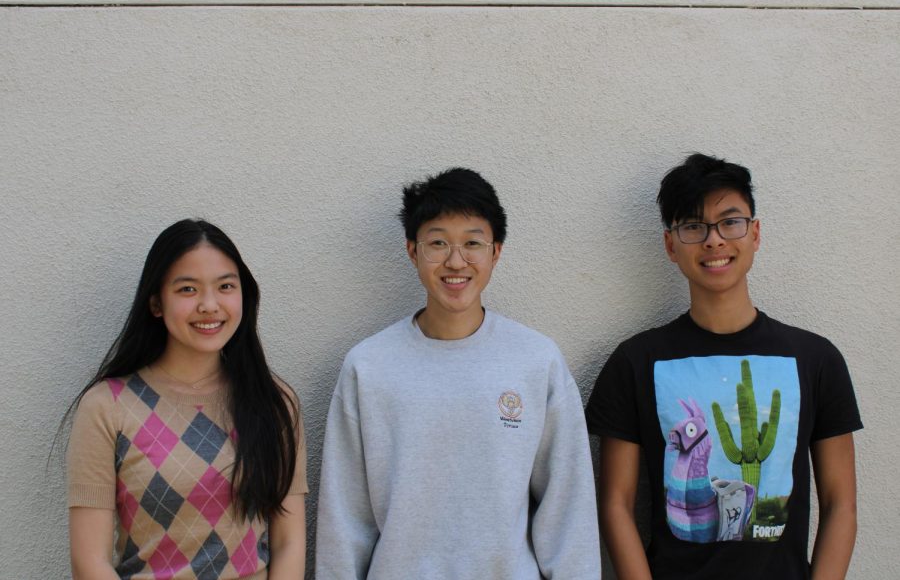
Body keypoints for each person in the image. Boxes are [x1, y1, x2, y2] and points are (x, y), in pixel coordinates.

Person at [586, 153, 862, 579]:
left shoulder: (816, 358)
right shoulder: (635, 361)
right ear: (670, 245)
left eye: (729, 222)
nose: (714, 241)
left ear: (755, 233)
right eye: (694, 227)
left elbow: (841, 501)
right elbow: (615, 504)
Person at [315, 167, 600, 579]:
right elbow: (344, 519)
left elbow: (568, 507)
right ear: (412, 251)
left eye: (472, 243)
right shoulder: (369, 366)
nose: (455, 261)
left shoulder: (536, 361)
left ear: (495, 252)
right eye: (438, 243)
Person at [65, 219, 307, 579]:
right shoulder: (106, 407)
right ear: (156, 303)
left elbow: (288, 542)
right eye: (187, 290)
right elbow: (90, 562)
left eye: (225, 286)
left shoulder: (275, 402)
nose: (210, 305)